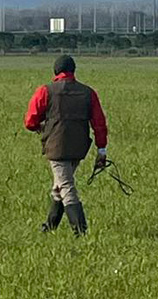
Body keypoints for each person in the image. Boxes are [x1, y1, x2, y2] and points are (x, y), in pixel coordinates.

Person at [24, 54, 108, 235]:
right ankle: (49, 227)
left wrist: (40, 127)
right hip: (79, 147)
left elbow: (30, 121)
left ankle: (80, 231)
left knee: (66, 186)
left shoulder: (46, 91)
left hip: (56, 147)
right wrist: (101, 150)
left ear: (55, 71)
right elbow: (99, 123)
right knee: (59, 185)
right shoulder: (88, 92)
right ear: (73, 71)